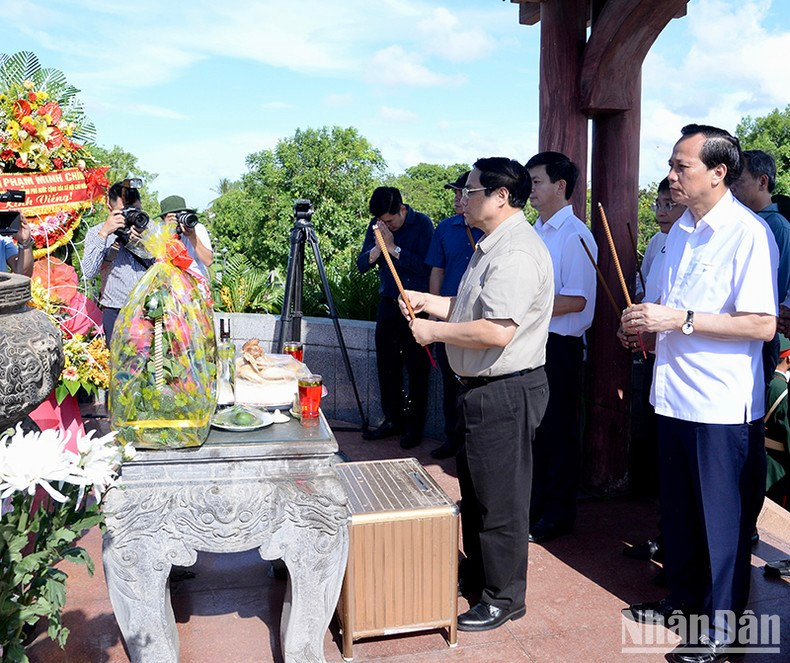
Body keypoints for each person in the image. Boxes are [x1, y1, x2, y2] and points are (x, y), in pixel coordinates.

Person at [620, 124, 778, 663]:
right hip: (671, 395)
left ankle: (723, 628)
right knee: (682, 512)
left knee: (721, 522)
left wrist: (679, 318)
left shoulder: (747, 232)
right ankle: (683, 601)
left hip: (719, 405)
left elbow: (760, 324)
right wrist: (645, 324)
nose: (670, 176)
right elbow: (669, 310)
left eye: (681, 166)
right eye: (671, 163)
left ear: (718, 172)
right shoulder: (677, 233)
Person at [399, 157, 553, 632]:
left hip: (504, 390)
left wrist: (434, 334)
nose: (462, 199)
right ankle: (482, 574)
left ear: (500, 196)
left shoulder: (517, 253)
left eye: (470, 191)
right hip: (481, 389)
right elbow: (471, 310)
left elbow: (496, 331)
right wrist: (432, 304)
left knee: (500, 499)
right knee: (478, 491)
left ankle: (504, 596)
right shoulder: (491, 245)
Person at [525, 151, 597, 543]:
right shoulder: (534, 232)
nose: (530, 189)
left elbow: (578, 300)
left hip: (560, 348)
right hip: (534, 343)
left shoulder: (576, 236)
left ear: (560, 186)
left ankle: (557, 514)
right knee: (535, 431)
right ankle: (534, 507)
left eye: (536, 181)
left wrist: (523, 311)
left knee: (557, 432)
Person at [357, 186, 433, 449]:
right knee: (386, 366)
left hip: (415, 307)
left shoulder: (422, 224)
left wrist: (393, 247)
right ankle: (392, 420)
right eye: (381, 221)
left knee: (416, 369)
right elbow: (361, 264)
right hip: (388, 304)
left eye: (390, 220)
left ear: (402, 209)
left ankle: (413, 427)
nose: (386, 225)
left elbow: (425, 267)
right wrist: (378, 249)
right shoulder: (376, 226)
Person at [424, 170, 484, 459]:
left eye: (464, 193)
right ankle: (451, 438)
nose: (458, 199)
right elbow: (438, 269)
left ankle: (469, 443)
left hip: (479, 319)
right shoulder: (445, 228)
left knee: (472, 385)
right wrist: (434, 311)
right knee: (450, 384)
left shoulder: (490, 229)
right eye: (457, 193)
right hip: (448, 316)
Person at [732, 149, 790, 388]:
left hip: (759, 329)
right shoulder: (739, 222)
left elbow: (778, 284)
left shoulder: (777, 225)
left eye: (739, 180)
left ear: (762, 181)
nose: (732, 187)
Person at [83, 181, 153, 345]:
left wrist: (143, 243)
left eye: (136, 211)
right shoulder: (97, 232)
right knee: (119, 368)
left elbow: (165, 266)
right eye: (125, 212)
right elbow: (88, 272)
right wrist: (104, 234)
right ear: (109, 207)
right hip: (115, 311)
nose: (132, 216)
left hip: (149, 310)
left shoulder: (150, 229)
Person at [157, 195, 213, 277]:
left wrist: (193, 237)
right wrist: (168, 232)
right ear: (163, 218)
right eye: (174, 216)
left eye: (180, 214)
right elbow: (159, 261)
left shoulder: (197, 228)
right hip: (170, 284)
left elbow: (208, 261)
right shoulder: (159, 230)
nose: (178, 219)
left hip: (196, 284)